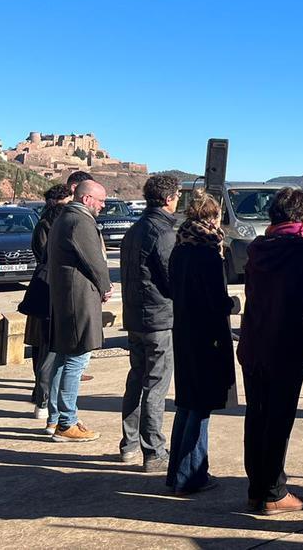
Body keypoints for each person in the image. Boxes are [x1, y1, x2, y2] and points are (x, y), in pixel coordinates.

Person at [237, 187, 303, 514]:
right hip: (287, 344)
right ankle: (274, 492)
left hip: (254, 342)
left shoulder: (257, 248)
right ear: (302, 216)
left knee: (256, 414)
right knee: (279, 418)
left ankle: (256, 488)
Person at [165, 190, 237, 496]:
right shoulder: (207, 252)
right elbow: (214, 300)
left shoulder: (179, 249)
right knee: (200, 406)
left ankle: (177, 473)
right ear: (212, 217)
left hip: (183, 330)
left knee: (186, 403)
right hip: (206, 336)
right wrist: (231, 303)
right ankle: (190, 474)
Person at [118, 175, 180, 471]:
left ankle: (129, 444)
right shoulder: (163, 232)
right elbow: (173, 278)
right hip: (157, 319)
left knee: (137, 379)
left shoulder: (135, 229)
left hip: (135, 316)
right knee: (155, 384)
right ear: (170, 198)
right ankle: (153, 450)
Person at [46, 179, 112, 442]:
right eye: (101, 201)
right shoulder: (81, 221)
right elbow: (94, 260)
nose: (103, 206)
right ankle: (66, 422)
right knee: (77, 359)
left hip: (66, 295)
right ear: (87, 200)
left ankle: (56, 418)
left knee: (64, 358)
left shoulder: (64, 217)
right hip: (78, 297)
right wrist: (105, 286)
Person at [19, 183, 72, 429]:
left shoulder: (44, 223)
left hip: (42, 289)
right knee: (49, 350)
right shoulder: (59, 223)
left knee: (44, 348)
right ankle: (44, 400)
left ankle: (42, 399)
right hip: (51, 290)